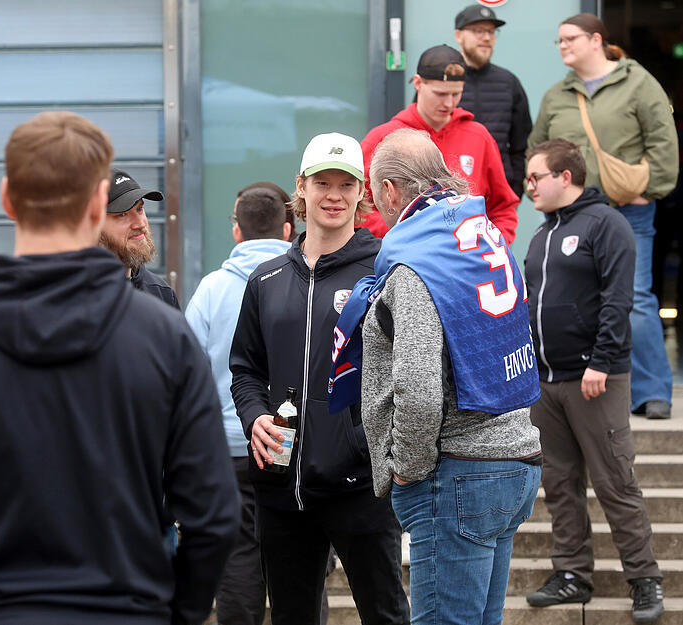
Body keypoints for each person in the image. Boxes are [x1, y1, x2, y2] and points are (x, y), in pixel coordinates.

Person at [0, 111, 239, 625]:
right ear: (97, 203)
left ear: (6, 199)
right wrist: (174, 613)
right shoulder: (165, 338)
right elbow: (214, 516)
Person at [359, 129, 541, 625]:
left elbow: (418, 391)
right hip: (514, 455)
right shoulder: (482, 236)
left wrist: (406, 470)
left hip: (458, 470)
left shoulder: (419, 258)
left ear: (390, 191)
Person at [230, 132, 408, 625]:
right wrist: (254, 417)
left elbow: (410, 367)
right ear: (301, 189)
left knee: (386, 615)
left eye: (346, 184)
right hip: (280, 486)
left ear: (362, 192)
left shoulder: (386, 270)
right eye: (322, 183)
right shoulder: (265, 279)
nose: (334, 195)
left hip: (361, 485)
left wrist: (380, 446)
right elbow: (245, 369)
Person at [522, 139, 664, 624]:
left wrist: (600, 362)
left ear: (565, 177)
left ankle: (644, 579)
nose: (529, 186)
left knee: (615, 481)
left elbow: (618, 299)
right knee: (560, 483)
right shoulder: (542, 234)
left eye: (536, 177)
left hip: (594, 379)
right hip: (547, 382)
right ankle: (571, 574)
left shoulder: (606, 224)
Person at [528, 13, 679, 419]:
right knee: (576, 298)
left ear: (596, 40)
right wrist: (540, 188)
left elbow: (663, 141)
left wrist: (650, 189)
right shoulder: (558, 94)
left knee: (635, 298)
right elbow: (538, 148)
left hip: (627, 211)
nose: (563, 46)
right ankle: (591, 386)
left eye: (570, 38)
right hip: (571, 217)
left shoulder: (638, 82)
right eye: (559, 40)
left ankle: (652, 392)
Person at [185, 186, 291, 625]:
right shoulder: (307, 284)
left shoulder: (211, 289)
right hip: (291, 449)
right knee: (299, 571)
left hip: (228, 452)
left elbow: (185, 375)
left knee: (237, 565)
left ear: (237, 232)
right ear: (288, 230)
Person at [358, 45, 519, 243]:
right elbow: (357, 205)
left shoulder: (479, 136)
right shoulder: (383, 137)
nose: (449, 103)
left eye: (456, 94)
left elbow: (503, 208)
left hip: (466, 257)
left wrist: (491, 245)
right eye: (440, 94)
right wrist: (404, 233)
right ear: (418, 83)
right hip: (399, 253)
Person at [453, 4, 532, 198]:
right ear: (459, 35)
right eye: (478, 31)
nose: (487, 38)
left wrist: (514, 189)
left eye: (491, 31)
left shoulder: (509, 82)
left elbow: (522, 144)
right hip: (451, 195)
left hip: (498, 195)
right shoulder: (444, 81)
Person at [101, 168, 179, 308]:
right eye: (122, 214)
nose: (140, 224)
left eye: (139, 209)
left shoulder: (162, 294)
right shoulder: (72, 297)